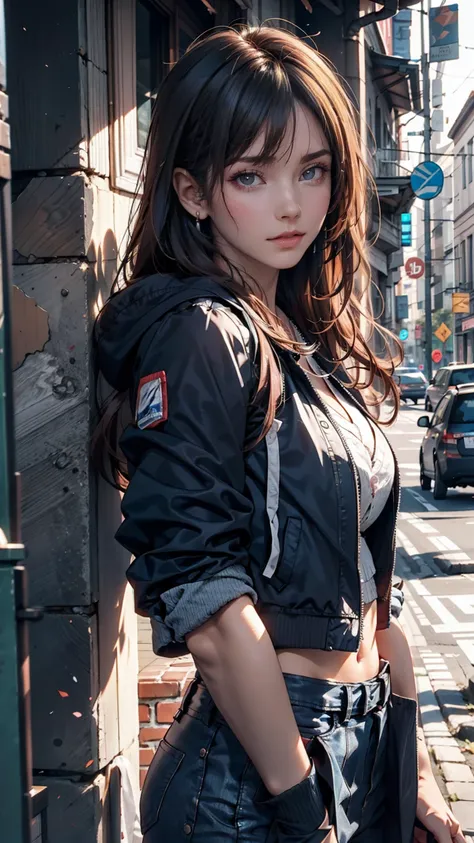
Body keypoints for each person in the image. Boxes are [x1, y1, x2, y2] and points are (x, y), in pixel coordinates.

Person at [94, 25, 465, 843]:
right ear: (193, 192)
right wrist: (300, 803)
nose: (291, 204)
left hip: (356, 752)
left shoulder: (303, 340)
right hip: (252, 786)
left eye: (312, 169)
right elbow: (213, 609)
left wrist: (411, 779)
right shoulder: (199, 335)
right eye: (250, 176)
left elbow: (374, 594)